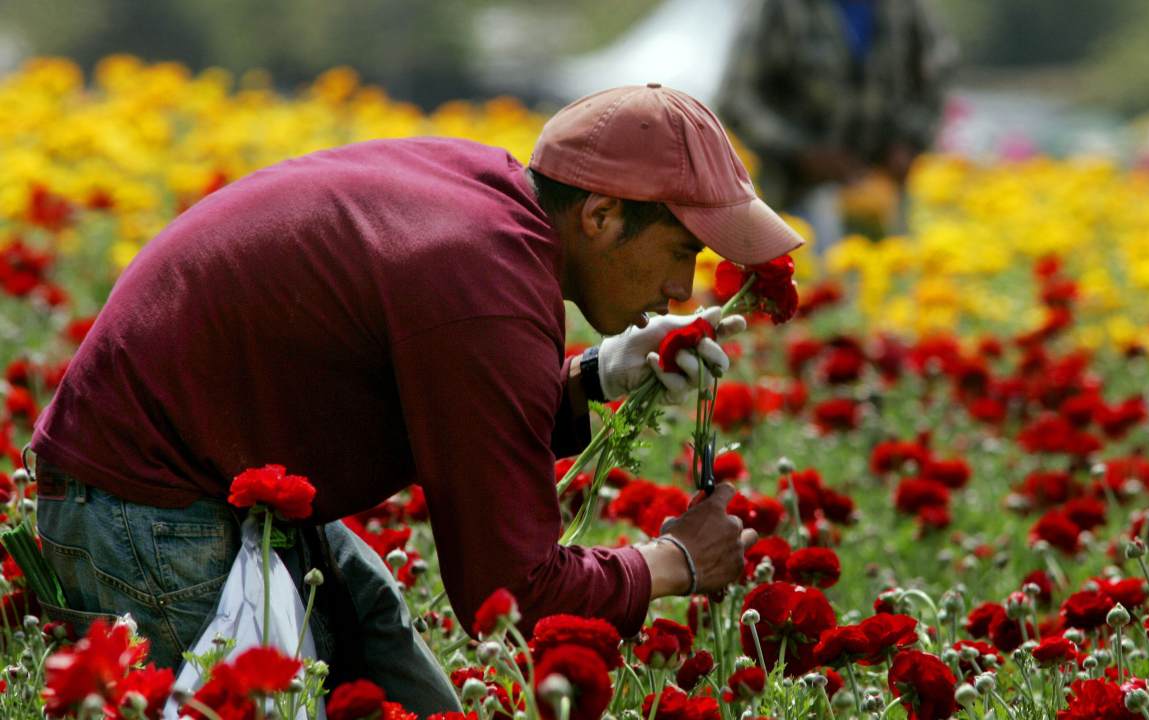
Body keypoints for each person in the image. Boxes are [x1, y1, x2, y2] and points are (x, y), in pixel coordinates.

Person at [28, 83, 802, 713]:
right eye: (681, 250)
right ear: (600, 216)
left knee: (416, 696)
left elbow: (433, 391)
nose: (683, 289)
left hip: (197, 483)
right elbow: (513, 595)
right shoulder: (487, 287)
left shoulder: (488, 196)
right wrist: (675, 562)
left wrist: (595, 375)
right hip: (147, 510)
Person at [716, 0, 957, 251]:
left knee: (893, 283)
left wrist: (909, 141)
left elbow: (939, 74)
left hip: (884, 194)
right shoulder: (780, 7)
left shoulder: (905, 8)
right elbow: (737, 99)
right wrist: (801, 152)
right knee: (811, 283)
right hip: (794, 198)